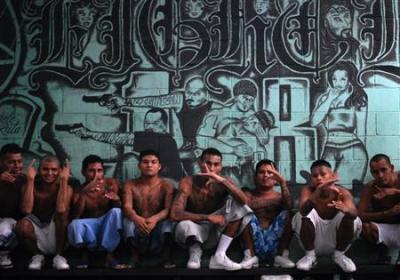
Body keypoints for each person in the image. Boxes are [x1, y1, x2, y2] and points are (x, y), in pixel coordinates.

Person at [170, 148, 253, 271]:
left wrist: (222, 181)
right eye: (208, 163)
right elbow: (175, 214)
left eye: (216, 164)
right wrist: (208, 217)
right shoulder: (188, 182)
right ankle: (195, 253)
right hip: (194, 230)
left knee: (241, 207)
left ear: (221, 166)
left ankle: (219, 255)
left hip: (215, 231)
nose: (212, 168)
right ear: (200, 163)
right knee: (183, 225)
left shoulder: (224, 181)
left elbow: (245, 201)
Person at [69, 107, 184, 181]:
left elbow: (124, 138)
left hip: (171, 187)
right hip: (156, 186)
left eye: (155, 123)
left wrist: (89, 133)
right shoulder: (160, 140)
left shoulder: (164, 139)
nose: (149, 127)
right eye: (147, 123)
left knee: (130, 159)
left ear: (164, 125)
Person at [291, 160, 361, 272]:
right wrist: (319, 190)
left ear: (332, 176)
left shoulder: (343, 192)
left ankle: (339, 256)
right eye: (315, 176)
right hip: (313, 242)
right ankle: (310, 257)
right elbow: (304, 211)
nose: (319, 178)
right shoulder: (307, 190)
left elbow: (354, 214)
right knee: (300, 215)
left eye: (323, 174)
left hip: (336, 240)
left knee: (352, 218)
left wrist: (346, 210)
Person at [310, 61, 368, 184]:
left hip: (351, 148)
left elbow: (361, 130)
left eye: (343, 79)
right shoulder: (325, 98)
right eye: (335, 79)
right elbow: (314, 122)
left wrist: (356, 157)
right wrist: (330, 98)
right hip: (329, 148)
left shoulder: (358, 98)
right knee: (323, 187)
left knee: (342, 189)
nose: (338, 83)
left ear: (349, 80)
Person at [16, 155, 73, 270]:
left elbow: (61, 209)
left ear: (60, 171)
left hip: (57, 236)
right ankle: (37, 255)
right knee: (22, 225)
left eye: (54, 169)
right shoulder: (29, 185)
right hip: (37, 235)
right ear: (38, 170)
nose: (49, 173)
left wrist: (64, 180)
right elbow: (26, 210)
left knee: (62, 215)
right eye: (45, 169)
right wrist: (30, 180)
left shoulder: (67, 188)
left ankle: (58, 256)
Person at [68, 155, 123, 268]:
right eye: (91, 171)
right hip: (90, 228)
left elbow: (118, 209)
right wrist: (84, 194)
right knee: (74, 225)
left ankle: (109, 254)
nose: (96, 175)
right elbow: (76, 216)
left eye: (99, 171)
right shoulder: (79, 190)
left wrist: (117, 200)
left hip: (105, 226)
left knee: (116, 212)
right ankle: (84, 254)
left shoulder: (111, 184)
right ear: (83, 172)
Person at [122, 149, 176, 268]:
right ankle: (134, 257)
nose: (149, 165)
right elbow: (127, 206)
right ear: (139, 165)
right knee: (127, 222)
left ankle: (166, 257)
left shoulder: (167, 185)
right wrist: (136, 218)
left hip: (158, 227)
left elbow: (168, 209)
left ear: (159, 166)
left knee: (169, 223)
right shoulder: (129, 184)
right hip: (137, 226)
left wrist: (155, 219)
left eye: (153, 162)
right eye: (145, 162)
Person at [239, 159, 294, 269]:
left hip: (275, 243)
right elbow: (246, 204)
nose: (266, 175)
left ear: (275, 179)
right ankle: (250, 257)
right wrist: (272, 203)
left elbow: (289, 206)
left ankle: (281, 256)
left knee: (289, 214)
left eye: (270, 173)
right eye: (261, 172)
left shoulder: (281, 196)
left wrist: (283, 182)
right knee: (243, 212)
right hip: (253, 243)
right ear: (255, 177)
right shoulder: (247, 194)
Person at [358, 154, 400, 264]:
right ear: (372, 173)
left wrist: (395, 192)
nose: (380, 175)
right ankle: (383, 253)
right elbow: (360, 214)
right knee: (362, 227)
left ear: (391, 168)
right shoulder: (370, 188)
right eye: (375, 172)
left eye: (384, 170)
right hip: (387, 229)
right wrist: (386, 213)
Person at [0, 144, 26, 268]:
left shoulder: (25, 179)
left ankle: (4, 255)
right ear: (1, 162)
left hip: (13, 224)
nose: (17, 166)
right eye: (11, 162)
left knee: (4, 227)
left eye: (19, 161)